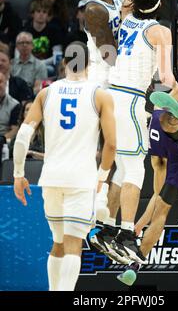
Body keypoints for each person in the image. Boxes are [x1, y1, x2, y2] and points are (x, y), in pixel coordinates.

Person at [90, 0, 176, 265]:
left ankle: (106, 229)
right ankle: (126, 233)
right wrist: (172, 101)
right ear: (159, 5)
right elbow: (166, 78)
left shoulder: (127, 17)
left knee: (123, 171)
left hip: (109, 99)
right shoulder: (161, 31)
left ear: (136, 3)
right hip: (127, 101)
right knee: (135, 170)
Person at [13, 41, 116, 291]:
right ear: (89, 64)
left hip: (51, 178)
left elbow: (23, 136)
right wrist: (102, 176)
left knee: (58, 242)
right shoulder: (100, 95)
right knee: (73, 244)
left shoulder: (46, 93)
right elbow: (111, 145)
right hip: (81, 179)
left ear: (64, 63)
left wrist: (18, 174)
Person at [116, 24, 178, 285]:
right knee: (161, 210)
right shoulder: (154, 128)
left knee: (161, 210)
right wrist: (138, 225)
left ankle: (136, 263)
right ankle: (135, 266)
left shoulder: (149, 132)